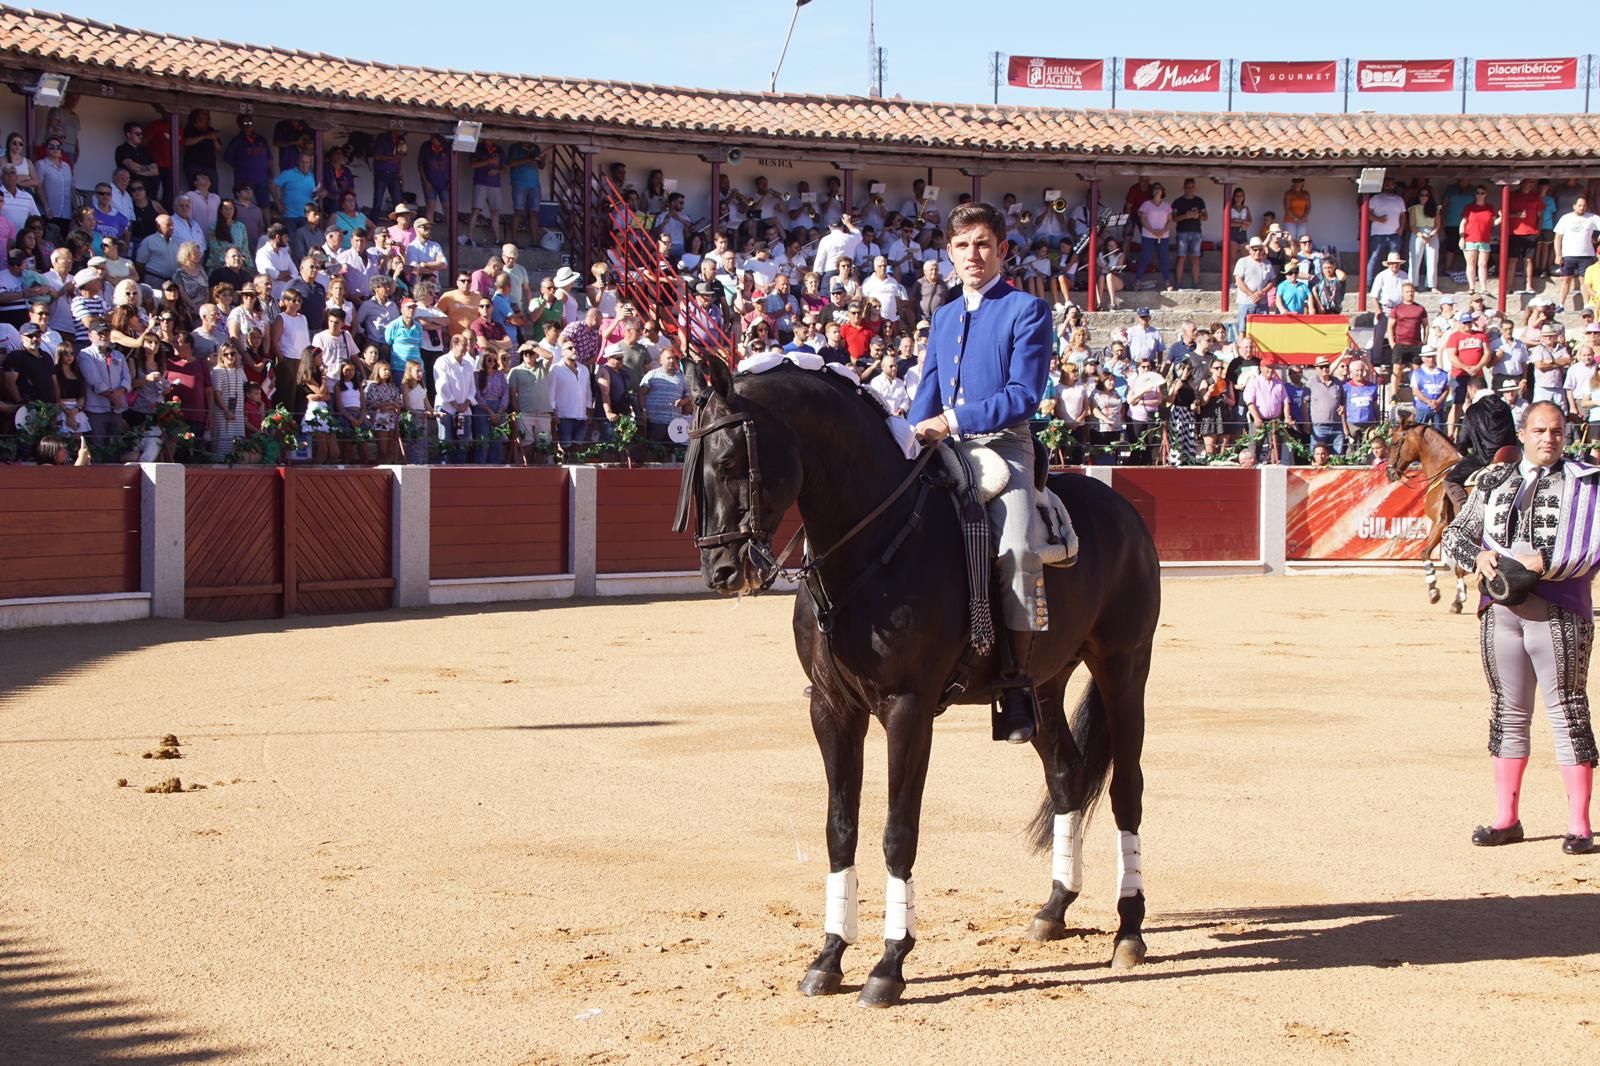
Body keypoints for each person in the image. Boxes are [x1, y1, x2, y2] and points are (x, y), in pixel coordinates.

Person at [908, 202, 1054, 745]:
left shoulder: (1026, 310)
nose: (974, 254)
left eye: (984, 244)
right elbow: (927, 386)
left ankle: (1016, 682)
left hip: (1004, 445)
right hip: (941, 440)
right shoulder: (944, 316)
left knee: (1017, 549)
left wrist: (951, 420)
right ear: (950, 254)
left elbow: (1022, 396)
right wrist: (906, 431)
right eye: (964, 245)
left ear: (1002, 251)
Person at [1441, 402, 1596, 855]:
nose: (1550, 438)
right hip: (1500, 610)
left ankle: (1580, 825)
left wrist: (1544, 563)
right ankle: (1506, 818)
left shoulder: (1586, 484)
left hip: (1560, 608)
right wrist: (1478, 557)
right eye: (1541, 430)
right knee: (1508, 711)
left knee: (1567, 710)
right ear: (1524, 434)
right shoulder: (1493, 481)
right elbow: (1456, 535)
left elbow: (1595, 542)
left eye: (1558, 431)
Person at [1443, 374, 1517, 513]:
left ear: (1471, 389)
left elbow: (1464, 440)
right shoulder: (1505, 407)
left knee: (1450, 481)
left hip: (1484, 459)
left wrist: (1462, 452)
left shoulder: (1474, 409)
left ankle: (1464, 514)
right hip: (1509, 459)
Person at [1553, 196, 1600, 310]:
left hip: (1587, 254)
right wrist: (1558, 255)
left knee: (1584, 280)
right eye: (1579, 205)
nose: (1582, 208)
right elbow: (1558, 237)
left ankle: (1586, 305)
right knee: (1566, 279)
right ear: (1574, 206)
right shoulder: (1565, 218)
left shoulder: (1592, 218)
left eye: (1584, 205)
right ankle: (1561, 304)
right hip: (1568, 254)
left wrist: (1597, 239)